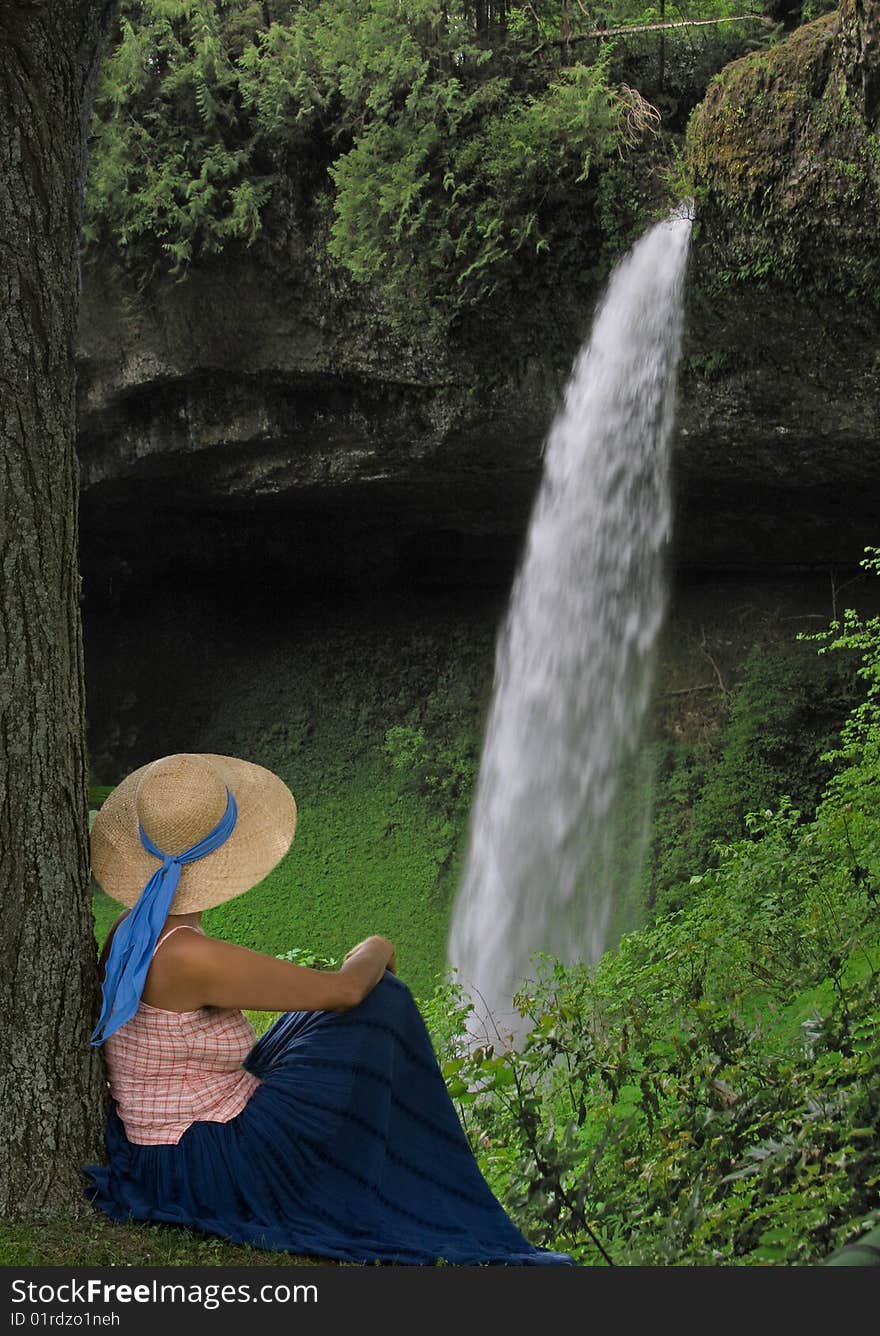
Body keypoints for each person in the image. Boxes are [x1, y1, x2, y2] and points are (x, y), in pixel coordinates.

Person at [82, 751, 575, 1266]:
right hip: (206, 1159)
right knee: (380, 999)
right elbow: (342, 990)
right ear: (219, 854)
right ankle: (420, 1189)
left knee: (321, 1019)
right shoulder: (186, 954)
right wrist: (378, 945)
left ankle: (397, 1175)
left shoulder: (131, 927)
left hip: (168, 1144)